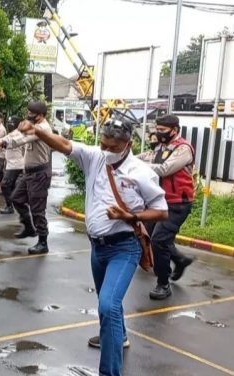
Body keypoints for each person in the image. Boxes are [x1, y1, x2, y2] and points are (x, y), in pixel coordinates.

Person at [20, 117, 168, 376]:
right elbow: (64, 144)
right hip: (97, 249)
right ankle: (119, 335)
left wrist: (129, 216)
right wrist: (39, 132)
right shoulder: (94, 157)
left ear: (128, 144)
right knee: (107, 302)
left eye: (113, 147)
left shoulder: (141, 172)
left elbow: (161, 211)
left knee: (108, 305)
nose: (107, 151)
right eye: (104, 145)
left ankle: (109, 372)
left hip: (124, 248)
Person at [137, 115, 195, 300]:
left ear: (174, 130)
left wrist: (136, 165)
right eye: (157, 130)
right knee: (152, 236)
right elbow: (144, 156)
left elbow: (164, 169)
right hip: (158, 201)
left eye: (163, 131)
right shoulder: (161, 148)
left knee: (159, 241)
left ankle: (163, 283)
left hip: (177, 203)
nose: (159, 134)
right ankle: (180, 260)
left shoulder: (183, 149)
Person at [0, 101, 53, 254]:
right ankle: (29, 227)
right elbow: (17, 133)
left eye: (32, 114)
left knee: (38, 209)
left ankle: (43, 241)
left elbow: (22, 139)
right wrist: (3, 140)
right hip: (29, 173)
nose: (29, 117)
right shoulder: (32, 126)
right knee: (16, 198)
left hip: (39, 173)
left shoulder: (43, 129)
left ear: (41, 116)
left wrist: (3, 143)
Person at [0, 115, 26, 215]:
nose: (9, 125)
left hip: (16, 165)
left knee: (4, 184)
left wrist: (0, 142)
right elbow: (1, 141)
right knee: (11, 186)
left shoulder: (18, 135)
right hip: (11, 165)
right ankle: (15, 204)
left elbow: (4, 141)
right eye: (8, 123)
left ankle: (10, 206)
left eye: (11, 123)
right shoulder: (10, 134)